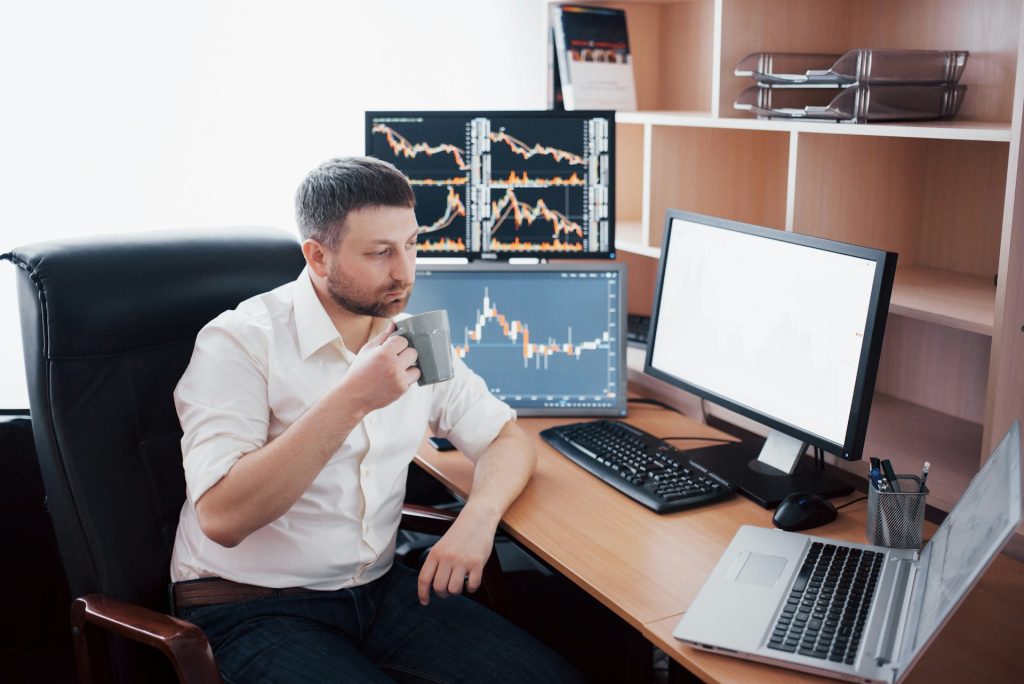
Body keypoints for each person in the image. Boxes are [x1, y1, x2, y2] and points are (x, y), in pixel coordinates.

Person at [169, 156, 582, 683]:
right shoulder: (239, 343)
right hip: (249, 604)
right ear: (318, 257)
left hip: (378, 590)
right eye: (380, 252)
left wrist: (477, 518)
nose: (405, 272)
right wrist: (352, 400)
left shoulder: (410, 333)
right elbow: (222, 519)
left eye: (411, 244)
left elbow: (504, 437)